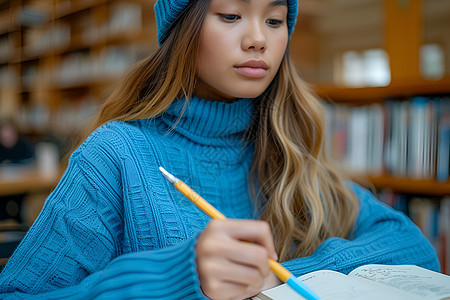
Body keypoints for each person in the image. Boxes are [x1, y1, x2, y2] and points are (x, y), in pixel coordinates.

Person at [0, 0, 440, 299]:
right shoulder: (115, 157)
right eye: (230, 15)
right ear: (182, 29)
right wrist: (176, 279)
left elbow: (414, 247)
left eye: (274, 19)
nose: (258, 39)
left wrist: (279, 281)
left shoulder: (285, 151)